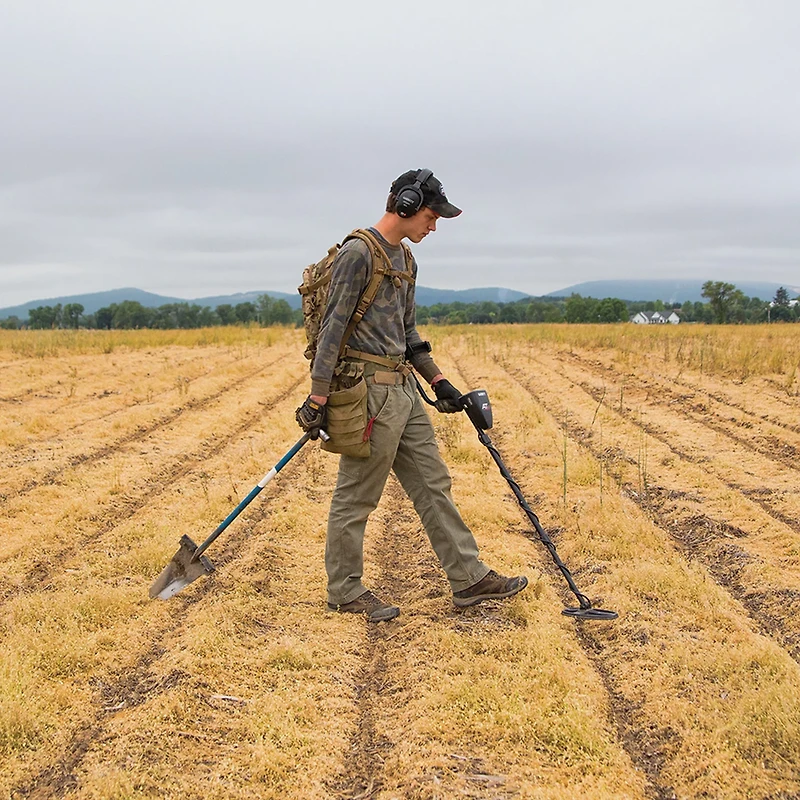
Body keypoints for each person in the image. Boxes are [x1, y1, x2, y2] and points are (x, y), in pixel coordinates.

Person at [296, 168, 528, 622]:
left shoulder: (406, 259)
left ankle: (469, 578)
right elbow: (331, 333)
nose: (433, 226)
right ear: (405, 205)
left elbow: (408, 334)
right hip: (367, 393)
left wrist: (440, 382)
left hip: (404, 389)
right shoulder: (358, 254)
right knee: (357, 495)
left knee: (432, 483)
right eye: (431, 216)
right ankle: (344, 590)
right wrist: (319, 398)